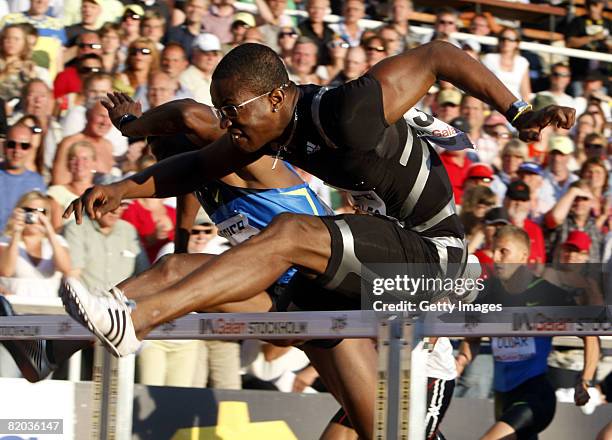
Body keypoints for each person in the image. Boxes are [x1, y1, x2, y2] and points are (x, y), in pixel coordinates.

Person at [62, 42, 574, 439]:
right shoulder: (264, 131)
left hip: (433, 257)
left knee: (288, 235)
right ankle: (65, 342)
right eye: (221, 113)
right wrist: (120, 189)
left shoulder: (345, 111)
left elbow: (438, 55)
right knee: (372, 424)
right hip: (377, 259)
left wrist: (519, 110)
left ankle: (138, 320)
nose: (225, 125)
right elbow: (196, 165)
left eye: (232, 113)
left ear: (278, 97)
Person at [456, 225, 600, 440]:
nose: (495, 257)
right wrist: (461, 361)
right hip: (503, 397)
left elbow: (591, 335)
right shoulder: (488, 293)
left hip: (535, 396)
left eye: (503, 251)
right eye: (494, 250)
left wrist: (584, 380)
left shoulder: (548, 294)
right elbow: (473, 338)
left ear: (524, 256)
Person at [0, 191, 71, 298]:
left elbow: (66, 268)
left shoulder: (56, 241)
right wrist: (16, 233)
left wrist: (49, 230)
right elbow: (6, 271)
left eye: (41, 212)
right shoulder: (6, 241)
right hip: (15, 307)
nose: (34, 217)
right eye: (28, 211)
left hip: (48, 308)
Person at [0, 123, 46, 231]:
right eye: (12, 144)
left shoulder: (37, 182)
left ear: (30, 149)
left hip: (21, 242)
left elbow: (36, 223)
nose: (17, 151)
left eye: (24, 146)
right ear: (4, 146)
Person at [482, 27, 531, 101]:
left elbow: (525, 92)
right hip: (491, 103)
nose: (506, 42)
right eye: (503, 39)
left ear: (517, 43)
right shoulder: (489, 58)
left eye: (510, 39)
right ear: (499, 41)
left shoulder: (522, 62)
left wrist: (526, 111)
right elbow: (483, 85)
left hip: (516, 107)